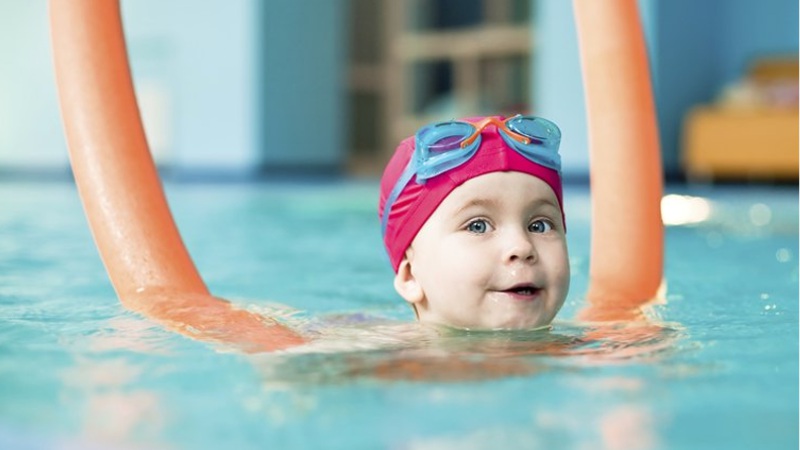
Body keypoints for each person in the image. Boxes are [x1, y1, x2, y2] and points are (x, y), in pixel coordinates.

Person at [377, 114, 569, 330]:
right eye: (478, 226)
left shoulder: (589, 349)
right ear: (410, 275)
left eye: (539, 226)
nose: (522, 246)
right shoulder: (380, 356)